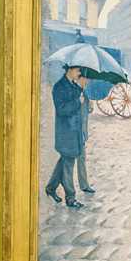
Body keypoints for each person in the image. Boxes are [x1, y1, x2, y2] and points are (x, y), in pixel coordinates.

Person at [43, 64, 87, 208]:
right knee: (68, 164)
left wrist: (81, 88)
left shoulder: (73, 85)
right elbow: (62, 110)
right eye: (77, 70)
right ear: (69, 70)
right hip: (66, 132)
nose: (79, 73)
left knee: (64, 161)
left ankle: (50, 188)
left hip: (74, 132)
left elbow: (76, 97)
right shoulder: (59, 87)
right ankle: (70, 197)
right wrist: (77, 102)